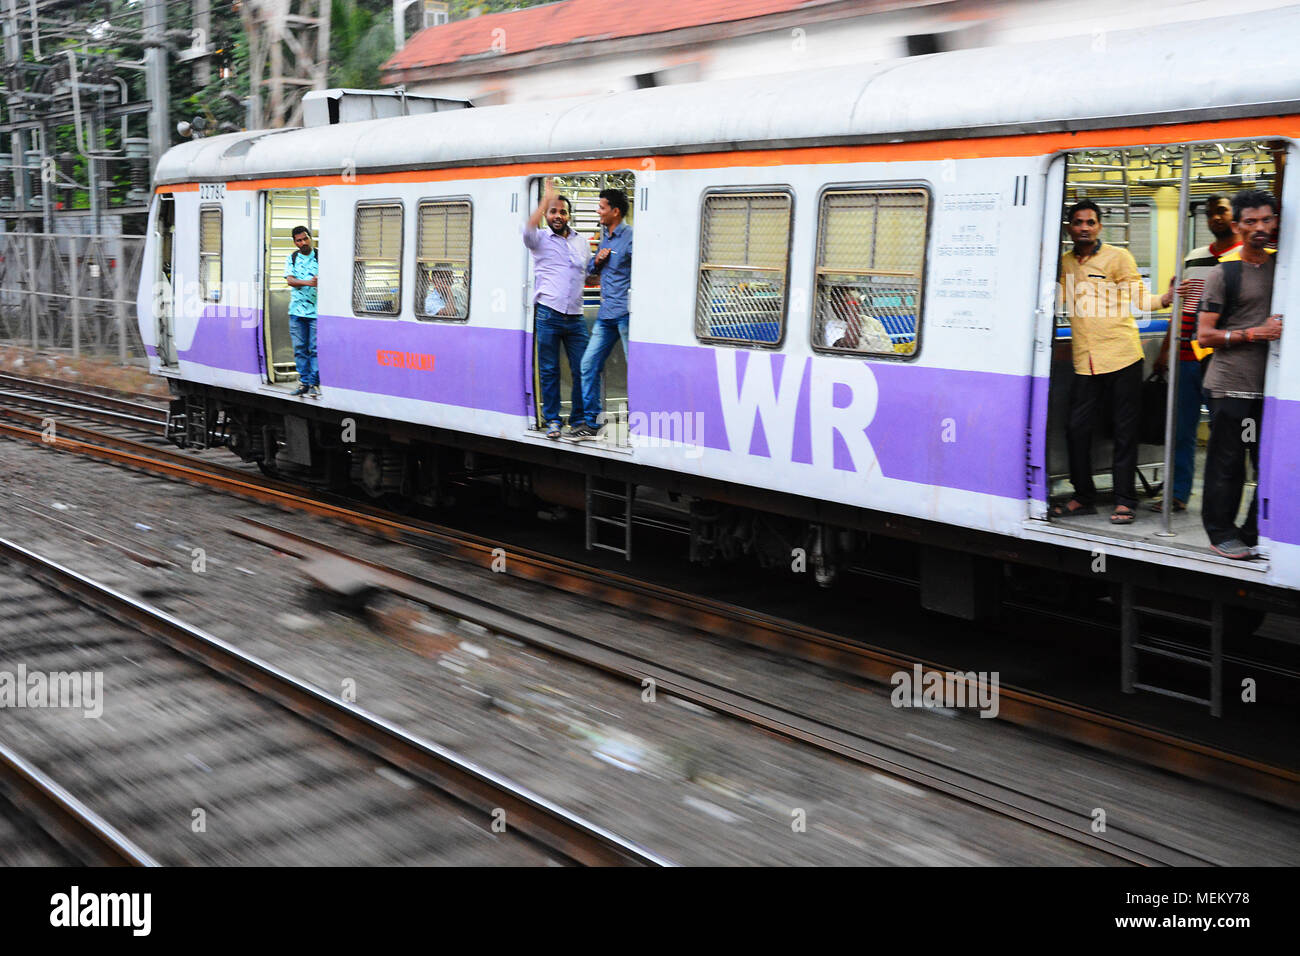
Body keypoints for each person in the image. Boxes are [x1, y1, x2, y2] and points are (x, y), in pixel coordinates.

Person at [1053, 199, 1175, 524]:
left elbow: (1140, 298)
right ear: (1069, 227)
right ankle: (1084, 496)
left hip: (1123, 356)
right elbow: (1056, 302)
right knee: (1076, 429)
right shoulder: (1065, 263)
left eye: (1090, 222)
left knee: (1124, 430)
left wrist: (1164, 299)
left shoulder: (1119, 257)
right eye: (1078, 222)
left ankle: (1125, 500)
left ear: (1099, 227)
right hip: (1085, 361)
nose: (1084, 227)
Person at [1196, 188, 1283, 559]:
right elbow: (1205, 334)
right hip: (1231, 389)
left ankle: (1251, 531)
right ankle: (1220, 533)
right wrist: (1253, 333)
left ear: (1275, 222)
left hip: (1270, 390)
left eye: (1266, 220)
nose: (1259, 228)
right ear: (1237, 226)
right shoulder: (1223, 274)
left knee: (1267, 464)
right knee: (1227, 465)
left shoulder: (1283, 270)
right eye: (1250, 222)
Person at [1151, 195, 1240, 513]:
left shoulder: (1248, 257)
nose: (1215, 218)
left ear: (1234, 216)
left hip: (1225, 357)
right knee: (1182, 428)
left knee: (1224, 434)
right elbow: (1181, 306)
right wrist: (1165, 349)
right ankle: (1177, 494)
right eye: (1209, 213)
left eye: (1222, 211)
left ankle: (1222, 501)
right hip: (1187, 354)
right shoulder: (1194, 258)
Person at [523, 178, 590, 439]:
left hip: (575, 317)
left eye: (562, 211)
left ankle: (579, 420)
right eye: (553, 212)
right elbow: (527, 229)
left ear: (569, 215)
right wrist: (545, 199)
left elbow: (586, 275)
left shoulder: (581, 242)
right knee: (549, 370)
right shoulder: (538, 238)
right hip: (548, 314)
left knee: (582, 368)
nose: (558, 216)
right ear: (547, 215)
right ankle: (552, 420)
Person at [573, 188, 633, 440]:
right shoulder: (605, 237)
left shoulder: (631, 237)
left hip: (627, 315)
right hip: (606, 315)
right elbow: (591, 272)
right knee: (588, 364)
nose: (598, 211)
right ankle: (593, 422)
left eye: (601, 207)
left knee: (636, 369)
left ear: (615, 211)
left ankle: (637, 423)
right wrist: (598, 260)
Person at [284, 225, 320, 398]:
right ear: (295, 242)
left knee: (314, 348)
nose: (303, 242)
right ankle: (304, 382)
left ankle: (314, 383)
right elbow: (290, 280)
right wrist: (309, 283)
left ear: (310, 238)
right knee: (300, 349)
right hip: (296, 312)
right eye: (299, 240)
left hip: (316, 312)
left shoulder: (320, 256)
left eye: (305, 238)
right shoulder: (291, 258)